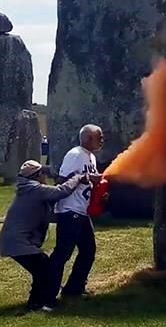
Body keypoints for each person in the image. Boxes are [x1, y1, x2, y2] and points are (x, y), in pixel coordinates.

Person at [0, 161, 85, 311]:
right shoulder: (34, 189)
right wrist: (77, 177)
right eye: (43, 173)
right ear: (38, 175)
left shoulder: (28, 189)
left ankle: (36, 302)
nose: (45, 176)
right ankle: (36, 304)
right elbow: (61, 191)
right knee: (43, 268)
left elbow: (48, 215)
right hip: (18, 242)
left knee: (42, 268)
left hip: (13, 240)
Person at [49, 124, 104, 300]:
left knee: (88, 250)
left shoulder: (91, 157)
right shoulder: (75, 155)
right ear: (88, 138)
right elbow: (61, 180)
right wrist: (86, 178)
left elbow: (87, 182)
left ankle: (74, 288)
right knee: (63, 253)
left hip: (82, 211)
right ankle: (46, 291)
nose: (102, 140)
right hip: (70, 210)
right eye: (99, 137)